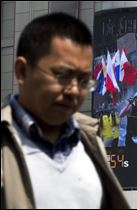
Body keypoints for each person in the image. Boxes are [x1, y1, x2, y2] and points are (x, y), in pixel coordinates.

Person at [1, 13, 129, 209]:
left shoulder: (91, 142)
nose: (74, 91)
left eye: (84, 81)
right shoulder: (5, 148)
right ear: (22, 71)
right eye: (62, 76)